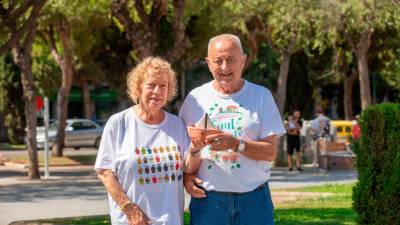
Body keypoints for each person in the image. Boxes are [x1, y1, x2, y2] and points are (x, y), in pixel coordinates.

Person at [180, 34, 286, 225]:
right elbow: (184, 151)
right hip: (209, 202)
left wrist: (236, 144)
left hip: (254, 200)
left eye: (231, 60)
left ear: (243, 60)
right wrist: (187, 177)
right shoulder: (194, 99)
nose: (224, 67)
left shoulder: (261, 96)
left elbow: (270, 152)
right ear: (208, 63)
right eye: (218, 61)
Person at [95, 57, 191, 225]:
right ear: (138, 87)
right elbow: (105, 172)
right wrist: (130, 210)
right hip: (131, 221)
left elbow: (188, 168)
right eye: (151, 85)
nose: (157, 91)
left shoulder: (177, 124)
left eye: (163, 86)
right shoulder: (119, 123)